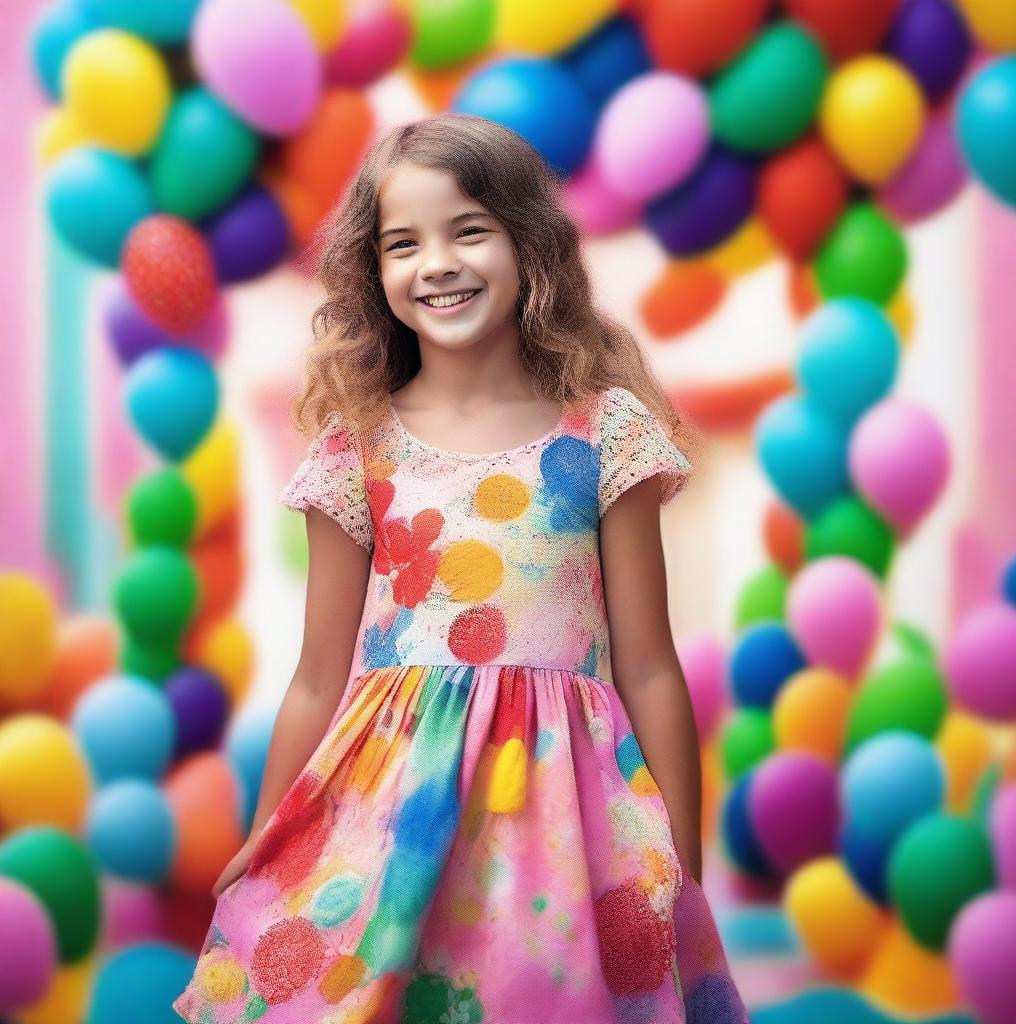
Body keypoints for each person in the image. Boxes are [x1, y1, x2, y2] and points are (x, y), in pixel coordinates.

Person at [173, 112, 748, 1024]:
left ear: (531, 246)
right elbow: (319, 673)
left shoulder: (605, 431)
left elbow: (647, 664)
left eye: (468, 229)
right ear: (376, 275)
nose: (436, 262)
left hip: (563, 816)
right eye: (404, 243)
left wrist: (680, 858)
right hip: (393, 810)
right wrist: (266, 833)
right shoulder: (356, 446)